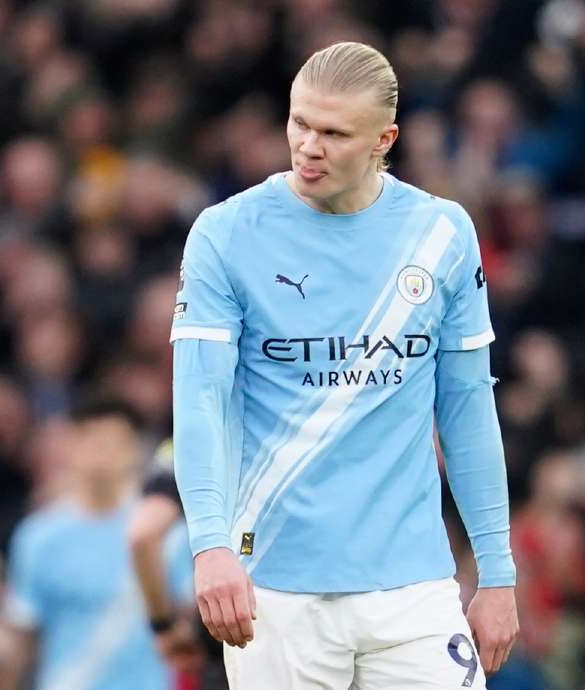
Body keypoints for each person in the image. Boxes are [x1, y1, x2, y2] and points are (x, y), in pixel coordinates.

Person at [170, 41, 519, 689]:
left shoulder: (441, 234)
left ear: (385, 139)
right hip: (276, 587)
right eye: (300, 123)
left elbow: (468, 408)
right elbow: (199, 402)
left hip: (414, 586)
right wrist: (210, 545)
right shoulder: (226, 233)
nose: (309, 147)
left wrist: (497, 572)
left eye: (334, 133)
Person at [0, 398, 186, 690]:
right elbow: (21, 638)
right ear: (70, 446)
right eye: (91, 441)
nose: (101, 455)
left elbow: (188, 625)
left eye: (113, 444)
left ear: (134, 451)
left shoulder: (166, 534)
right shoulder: (37, 537)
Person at [127, 439, 229, 690]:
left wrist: (163, 625)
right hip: (305, 628)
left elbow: (143, 535)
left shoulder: (187, 443)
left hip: (224, 641)